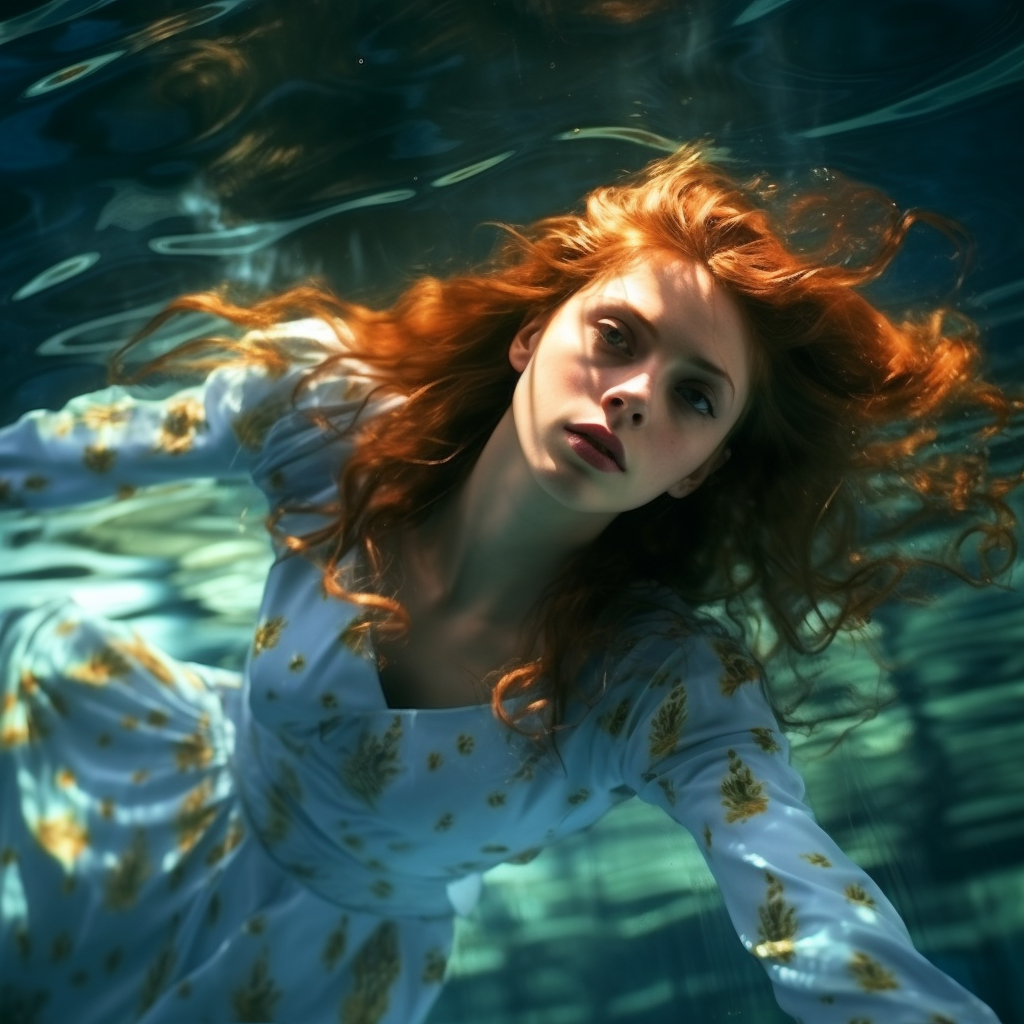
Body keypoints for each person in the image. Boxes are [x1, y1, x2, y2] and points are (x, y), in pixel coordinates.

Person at [0, 145, 1014, 1023]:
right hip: (147, 794)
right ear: (533, 333)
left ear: (698, 467)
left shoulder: (659, 685)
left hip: (318, 966)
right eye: (615, 337)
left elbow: (817, 920)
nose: (629, 396)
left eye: (692, 397)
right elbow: (41, 459)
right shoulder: (329, 421)